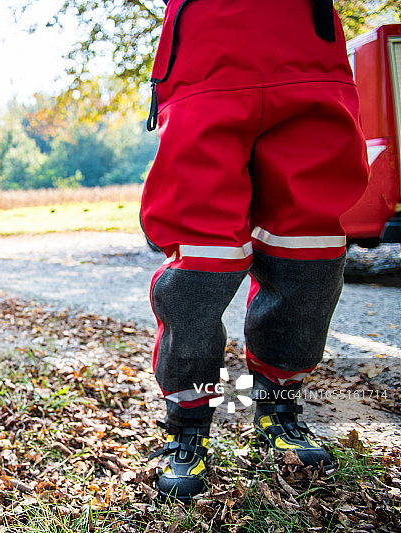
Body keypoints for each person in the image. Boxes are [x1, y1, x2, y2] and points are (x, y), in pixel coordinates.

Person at [140, 0, 369, 500]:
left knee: (308, 258)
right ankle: (189, 423)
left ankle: (278, 408)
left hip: (308, 64)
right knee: (200, 266)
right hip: (205, 66)